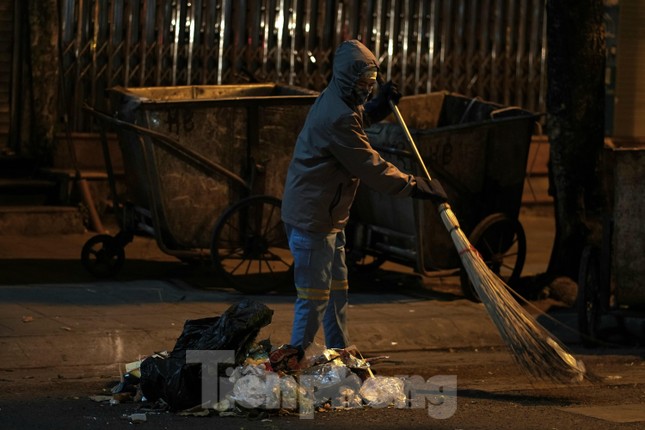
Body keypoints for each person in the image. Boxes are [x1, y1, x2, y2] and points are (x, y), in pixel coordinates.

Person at [281, 39, 447, 352]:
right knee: (315, 298)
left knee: (337, 291)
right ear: (347, 79)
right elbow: (372, 168)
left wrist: (375, 110)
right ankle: (293, 363)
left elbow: (356, 116)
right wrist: (417, 185)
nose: (367, 89)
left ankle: (340, 353)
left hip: (329, 216)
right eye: (363, 83)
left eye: (372, 83)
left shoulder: (339, 98)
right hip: (313, 218)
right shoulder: (337, 117)